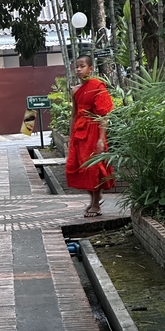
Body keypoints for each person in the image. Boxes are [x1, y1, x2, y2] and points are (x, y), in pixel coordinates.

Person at [65, 54, 114, 217]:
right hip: (79, 132)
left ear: (91, 69)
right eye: (77, 66)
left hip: (93, 131)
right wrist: (70, 135)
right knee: (82, 167)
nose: (78, 69)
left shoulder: (97, 86)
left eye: (82, 66)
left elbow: (103, 115)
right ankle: (94, 198)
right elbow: (74, 114)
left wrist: (101, 138)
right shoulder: (75, 90)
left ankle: (95, 204)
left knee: (93, 167)